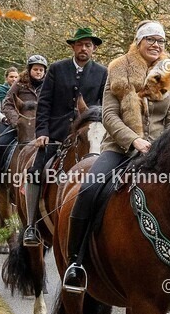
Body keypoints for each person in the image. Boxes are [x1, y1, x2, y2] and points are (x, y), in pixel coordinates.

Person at [61, 20, 170, 290]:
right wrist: (135, 141)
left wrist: (165, 145)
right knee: (89, 189)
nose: (156, 45)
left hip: (162, 150)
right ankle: (76, 262)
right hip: (120, 147)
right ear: (138, 42)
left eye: (160, 41)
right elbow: (108, 115)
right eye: (150, 39)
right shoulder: (117, 68)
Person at [23, 27, 108, 248]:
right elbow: (44, 103)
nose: (84, 49)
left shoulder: (102, 72)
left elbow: (103, 107)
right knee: (34, 171)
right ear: (73, 46)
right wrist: (42, 133)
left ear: (94, 48)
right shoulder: (56, 69)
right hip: (57, 134)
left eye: (88, 45)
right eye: (80, 44)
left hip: (89, 136)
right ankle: (32, 225)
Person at [0, 56, 48, 184]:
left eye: (41, 70)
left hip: (40, 125)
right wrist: (16, 121)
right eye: (35, 69)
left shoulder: (49, 85)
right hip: (19, 123)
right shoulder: (19, 84)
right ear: (29, 69)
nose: (38, 72)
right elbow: (8, 104)